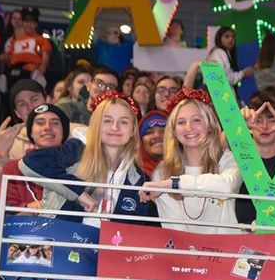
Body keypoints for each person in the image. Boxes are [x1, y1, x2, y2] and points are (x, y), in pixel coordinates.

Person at [19, 91, 148, 227]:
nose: (115, 127)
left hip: (109, 247)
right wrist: (78, 192)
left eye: (124, 122)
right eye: (107, 120)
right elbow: (28, 163)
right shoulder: (76, 151)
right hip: (61, 242)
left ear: (133, 130)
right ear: (96, 126)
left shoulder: (139, 179)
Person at [139, 89, 243, 234]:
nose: (189, 128)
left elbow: (226, 186)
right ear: (174, 131)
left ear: (211, 126)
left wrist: (172, 184)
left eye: (197, 120)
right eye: (181, 122)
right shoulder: (162, 173)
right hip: (185, 253)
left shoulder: (228, 160)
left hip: (228, 253)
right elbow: (176, 232)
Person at [0, 104, 68, 211]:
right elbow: (8, 211)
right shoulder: (12, 169)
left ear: (64, 132)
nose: (47, 127)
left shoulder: (79, 166)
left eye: (55, 123)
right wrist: (27, 208)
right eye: (40, 123)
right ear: (30, 132)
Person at [0, 79, 48, 186]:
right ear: (17, 113)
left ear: (48, 100)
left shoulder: (72, 132)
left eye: (35, 99)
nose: (30, 107)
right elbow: (5, 189)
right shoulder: (11, 140)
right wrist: (1, 156)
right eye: (22, 104)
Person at [3, 7, 50, 86]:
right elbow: (9, 55)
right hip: (14, 70)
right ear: (23, 23)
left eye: (32, 22)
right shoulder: (16, 40)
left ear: (36, 24)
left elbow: (46, 54)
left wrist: (43, 67)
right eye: (26, 22)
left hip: (31, 71)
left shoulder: (41, 39)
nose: (29, 24)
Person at [137, 110, 167, 177]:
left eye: (163, 131)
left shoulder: (185, 168)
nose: (157, 135)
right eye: (149, 132)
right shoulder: (132, 174)